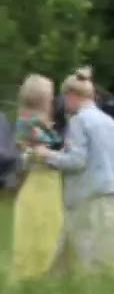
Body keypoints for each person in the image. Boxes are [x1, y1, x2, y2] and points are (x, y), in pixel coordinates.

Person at [29, 66, 114, 277]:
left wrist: (48, 155)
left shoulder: (78, 121)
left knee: (84, 258)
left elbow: (76, 161)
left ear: (72, 95)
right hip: (111, 196)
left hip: (85, 198)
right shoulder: (112, 124)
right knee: (107, 257)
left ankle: (67, 290)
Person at [9, 74, 64, 281]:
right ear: (40, 96)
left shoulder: (43, 121)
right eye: (50, 94)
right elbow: (49, 146)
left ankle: (45, 274)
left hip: (51, 181)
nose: (53, 99)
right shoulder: (28, 122)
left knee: (51, 227)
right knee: (38, 227)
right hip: (39, 181)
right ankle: (32, 275)